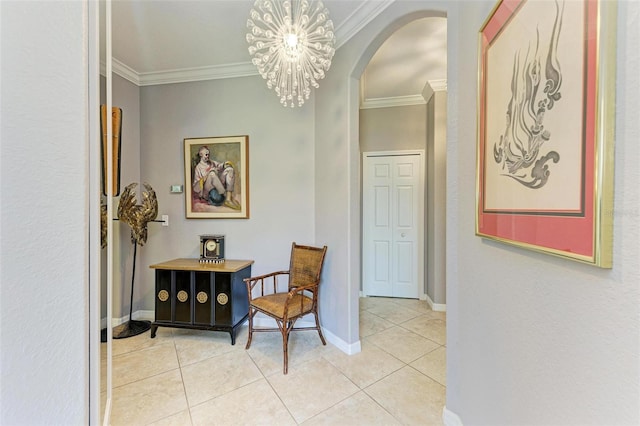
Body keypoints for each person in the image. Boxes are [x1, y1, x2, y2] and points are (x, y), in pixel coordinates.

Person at [192, 145, 240, 210]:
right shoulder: (198, 168)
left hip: (217, 187)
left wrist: (225, 164)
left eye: (208, 154)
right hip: (207, 192)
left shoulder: (211, 162)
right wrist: (206, 177)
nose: (208, 156)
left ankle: (228, 199)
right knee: (212, 174)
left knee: (229, 169)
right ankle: (225, 195)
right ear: (201, 154)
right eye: (206, 155)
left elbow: (219, 166)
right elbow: (195, 188)